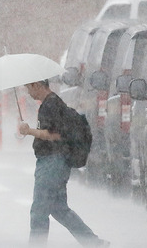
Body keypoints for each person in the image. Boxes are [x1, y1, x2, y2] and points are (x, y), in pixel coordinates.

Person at [19, 80, 110, 247]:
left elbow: (53, 135)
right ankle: (93, 243)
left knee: (39, 210)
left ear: (37, 85)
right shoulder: (52, 102)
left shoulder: (50, 104)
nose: (28, 91)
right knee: (59, 209)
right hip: (58, 161)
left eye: (28, 87)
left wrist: (28, 131)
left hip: (52, 162)